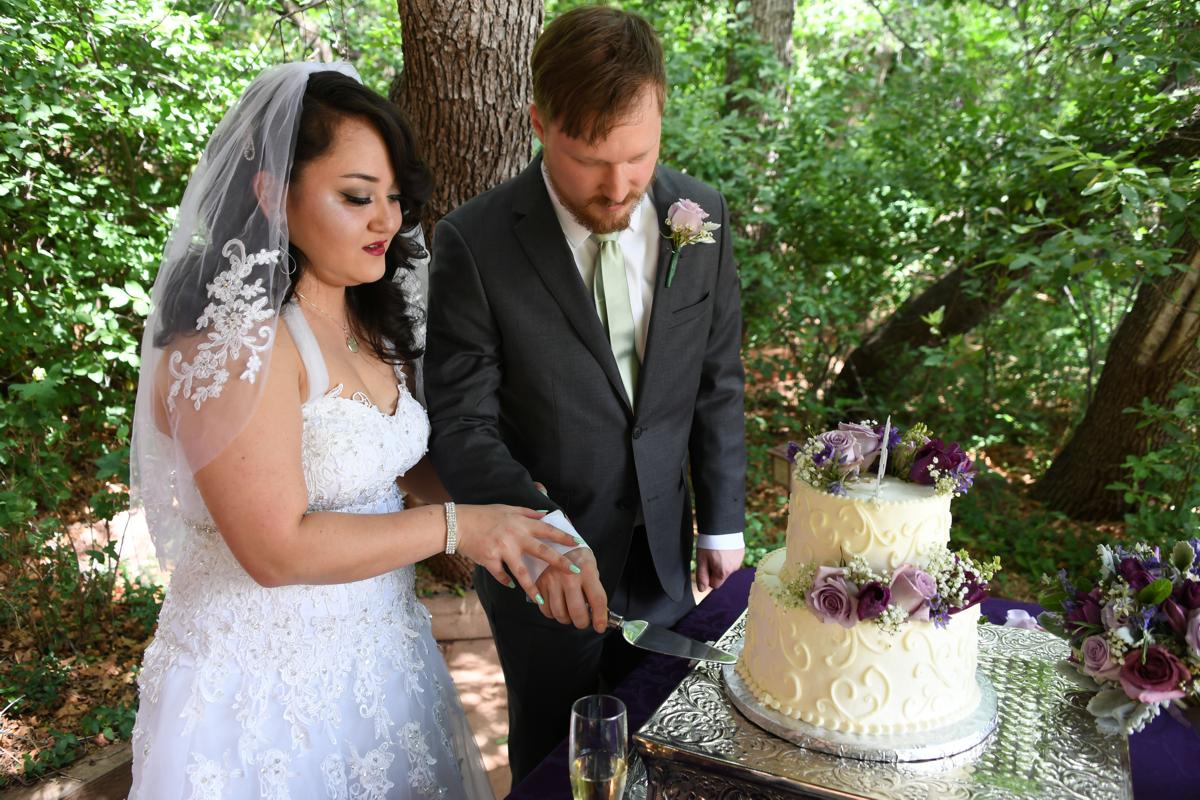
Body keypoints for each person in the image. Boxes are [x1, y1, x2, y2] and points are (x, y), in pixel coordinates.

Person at [127, 62, 588, 799]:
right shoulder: (235, 344)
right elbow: (275, 550)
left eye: (395, 198)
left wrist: (513, 512)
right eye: (356, 196)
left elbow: (386, 459)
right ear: (272, 194)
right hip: (263, 696)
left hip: (383, 661)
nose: (387, 221)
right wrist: (459, 525)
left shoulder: (363, 315)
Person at [424, 6, 747, 782]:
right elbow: (462, 423)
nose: (618, 185)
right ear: (539, 124)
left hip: (666, 554)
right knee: (554, 761)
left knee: (670, 750)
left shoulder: (700, 216)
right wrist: (545, 542)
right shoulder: (474, 242)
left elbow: (716, 380)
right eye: (589, 161)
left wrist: (722, 521)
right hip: (543, 571)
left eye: (638, 155)